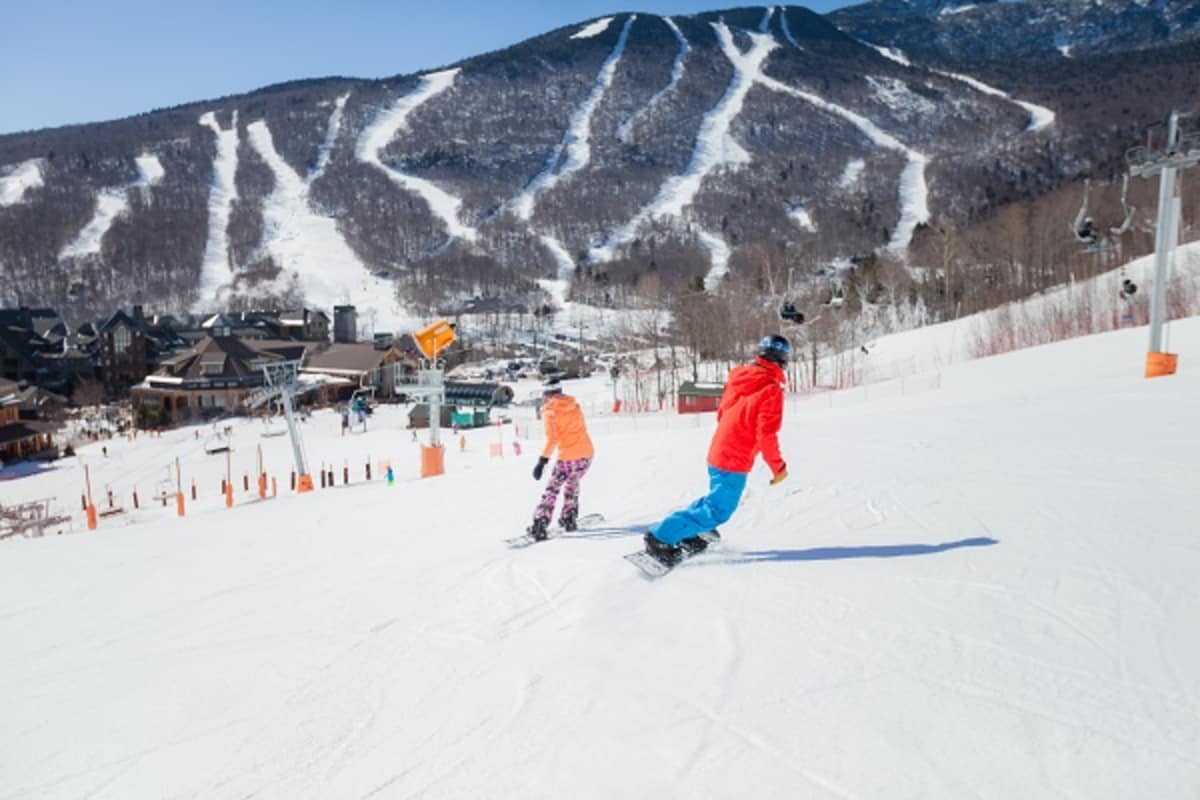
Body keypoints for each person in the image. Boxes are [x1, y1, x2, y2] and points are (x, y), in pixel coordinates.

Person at [643, 335, 791, 565]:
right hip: (735, 457)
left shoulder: (740, 378)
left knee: (713, 501)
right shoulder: (771, 389)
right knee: (720, 510)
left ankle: (689, 532)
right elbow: (767, 435)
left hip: (719, 449)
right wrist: (777, 467)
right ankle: (661, 537)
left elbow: (722, 413)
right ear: (782, 360)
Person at [527, 377, 594, 539]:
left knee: (552, 489)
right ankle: (569, 517)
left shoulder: (550, 411)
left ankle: (540, 523)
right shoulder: (574, 406)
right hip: (586, 454)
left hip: (567, 458)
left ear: (547, 393)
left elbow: (552, 439)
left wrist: (542, 462)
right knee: (572, 483)